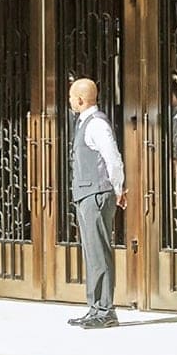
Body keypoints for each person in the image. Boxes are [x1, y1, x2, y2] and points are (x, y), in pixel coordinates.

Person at [67, 77, 126, 329]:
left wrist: (119, 187)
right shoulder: (84, 123)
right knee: (92, 253)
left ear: (80, 100)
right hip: (87, 194)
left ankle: (105, 310)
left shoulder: (96, 124)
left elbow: (113, 158)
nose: (70, 101)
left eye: (71, 97)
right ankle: (95, 308)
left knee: (99, 252)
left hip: (96, 194)